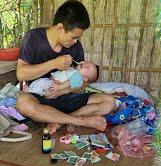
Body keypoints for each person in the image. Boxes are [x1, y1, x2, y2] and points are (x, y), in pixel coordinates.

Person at [16, 0, 116, 134]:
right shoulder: (33, 38)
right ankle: (79, 121)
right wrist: (53, 64)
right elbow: (21, 74)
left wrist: (63, 90)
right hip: (40, 98)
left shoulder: (76, 47)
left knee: (109, 101)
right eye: (73, 37)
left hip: (67, 98)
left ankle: (58, 121)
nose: (75, 41)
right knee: (23, 103)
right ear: (60, 28)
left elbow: (83, 82)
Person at [27, 61, 99, 96]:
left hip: (55, 87)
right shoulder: (73, 70)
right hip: (51, 82)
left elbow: (69, 82)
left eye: (87, 67)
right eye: (86, 62)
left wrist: (59, 87)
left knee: (41, 86)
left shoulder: (78, 77)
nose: (85, 64)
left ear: (85, 78)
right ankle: (28, 90)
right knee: (39, 83)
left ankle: (28, 91)